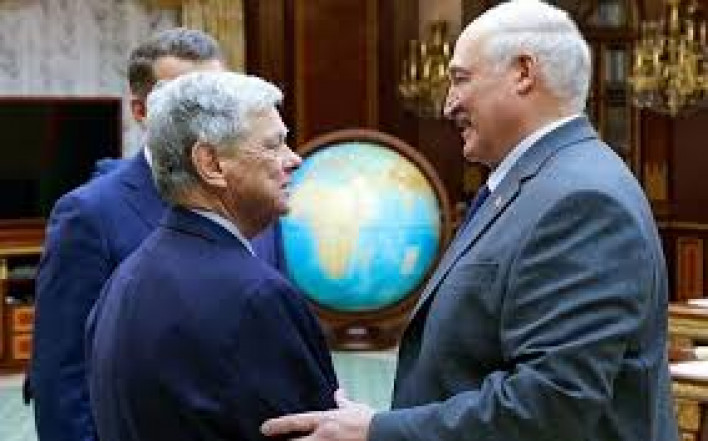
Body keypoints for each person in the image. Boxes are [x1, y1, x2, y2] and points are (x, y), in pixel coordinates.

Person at [260, 2, 679, 441]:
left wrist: (379, 431)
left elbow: (549, 405)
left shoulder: (581, 201)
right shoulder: (538, 183)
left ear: (523, 73)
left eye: (461, 79)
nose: (448, 105)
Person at [30, 28, 285, 441]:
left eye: (216, 92)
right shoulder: (89, 213)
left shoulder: (260, 197)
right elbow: (61, 373)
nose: (206, 109)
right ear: (141, 110)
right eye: (183, 96)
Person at [86, 70, 337, 441]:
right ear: (211, 164)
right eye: (274, 145)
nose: (294, 159)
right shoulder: (256, 297)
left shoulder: (125, 278)